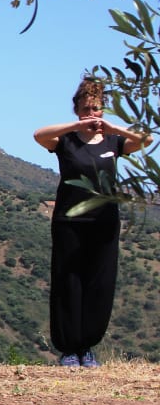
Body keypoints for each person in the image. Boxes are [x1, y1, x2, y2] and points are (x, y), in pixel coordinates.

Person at [33, 77, 152, 368]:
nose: (91, 114)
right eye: (86, 108)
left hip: (104, 223)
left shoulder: (114, 141)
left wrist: (113, 128)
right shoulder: (67, 141)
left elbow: (146, 140)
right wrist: (76, 126)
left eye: (96, 108)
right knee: (68, 283)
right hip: (69, 221)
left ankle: (88, 348)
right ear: (76, 109)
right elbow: (38, 135)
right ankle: (69, 350)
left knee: (99, 284)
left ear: (103, 109)